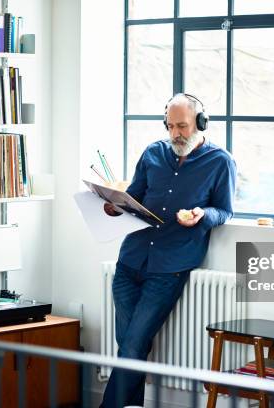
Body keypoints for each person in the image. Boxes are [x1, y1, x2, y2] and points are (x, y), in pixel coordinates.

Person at [100, 93, 237, 407]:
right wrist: (114, 206)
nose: (176, 133)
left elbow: (225, 211)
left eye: (183, 126)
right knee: (129, 347)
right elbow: (133, 197)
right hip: (130, 259)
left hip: (169, 266)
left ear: (200, 123)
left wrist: (203, 215)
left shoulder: (220, 161)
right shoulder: (153, 153)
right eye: (171, 126)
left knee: (133, 343)